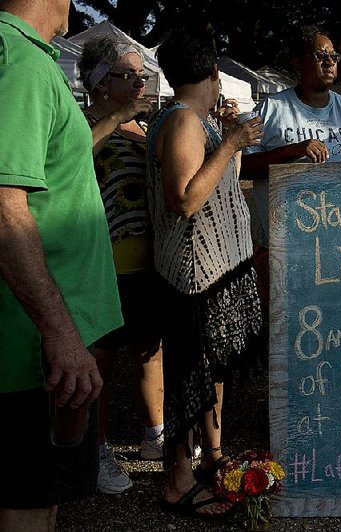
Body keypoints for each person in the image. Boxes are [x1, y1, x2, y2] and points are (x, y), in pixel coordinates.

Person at [0, 0, 122, 529]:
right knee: (27, 502)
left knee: (43, 495)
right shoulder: (21, 65)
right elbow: (5, 208)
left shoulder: (29, 58)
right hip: (28, 348)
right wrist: (60, 332)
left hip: (40, 342)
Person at [148, 28, 265, 517]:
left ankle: (213, 461)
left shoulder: (197, 120)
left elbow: (222, 187)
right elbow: (186, 199)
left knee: (209, 370)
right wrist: (232, 140)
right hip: (192, 276)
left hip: (215, 271)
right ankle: (178, 481)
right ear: (215, 73)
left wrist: (229, 142)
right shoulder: (181, 121)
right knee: (186, 375)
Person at [240, 26, 341, 295]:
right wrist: (291, 151)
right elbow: (243, 167)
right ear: (297, 62)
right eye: (319, 55)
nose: (329, 62)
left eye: (333, 57)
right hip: (288, 250)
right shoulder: (271, 109)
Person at [76, 36, 168, 496]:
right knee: (100, 361)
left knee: (150, 348)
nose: (138, 82)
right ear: (99, 83)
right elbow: (69, 164)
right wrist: (115, 119)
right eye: (127, 75)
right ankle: (96, 449)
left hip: (149, 259)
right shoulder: (80, 123)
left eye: (140, 75)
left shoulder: (143, 127)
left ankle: (155, 436)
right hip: (101, 265)